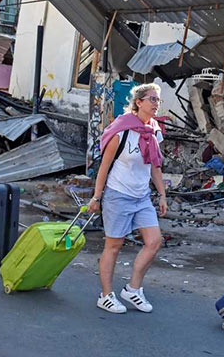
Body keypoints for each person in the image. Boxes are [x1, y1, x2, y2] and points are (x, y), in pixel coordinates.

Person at [88, 83, 168, 314]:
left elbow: (155, 166)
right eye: (152, 99)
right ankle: (105, 295)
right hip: (118, 195)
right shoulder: (122, 131)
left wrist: (162, 195)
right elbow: (104, 167)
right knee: (114, 246)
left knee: (154, 242)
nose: (156, 104)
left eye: (158, 100)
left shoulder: (154, 131)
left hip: (142, 197)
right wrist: (96, 197)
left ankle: (132, 289)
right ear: (138, 102)